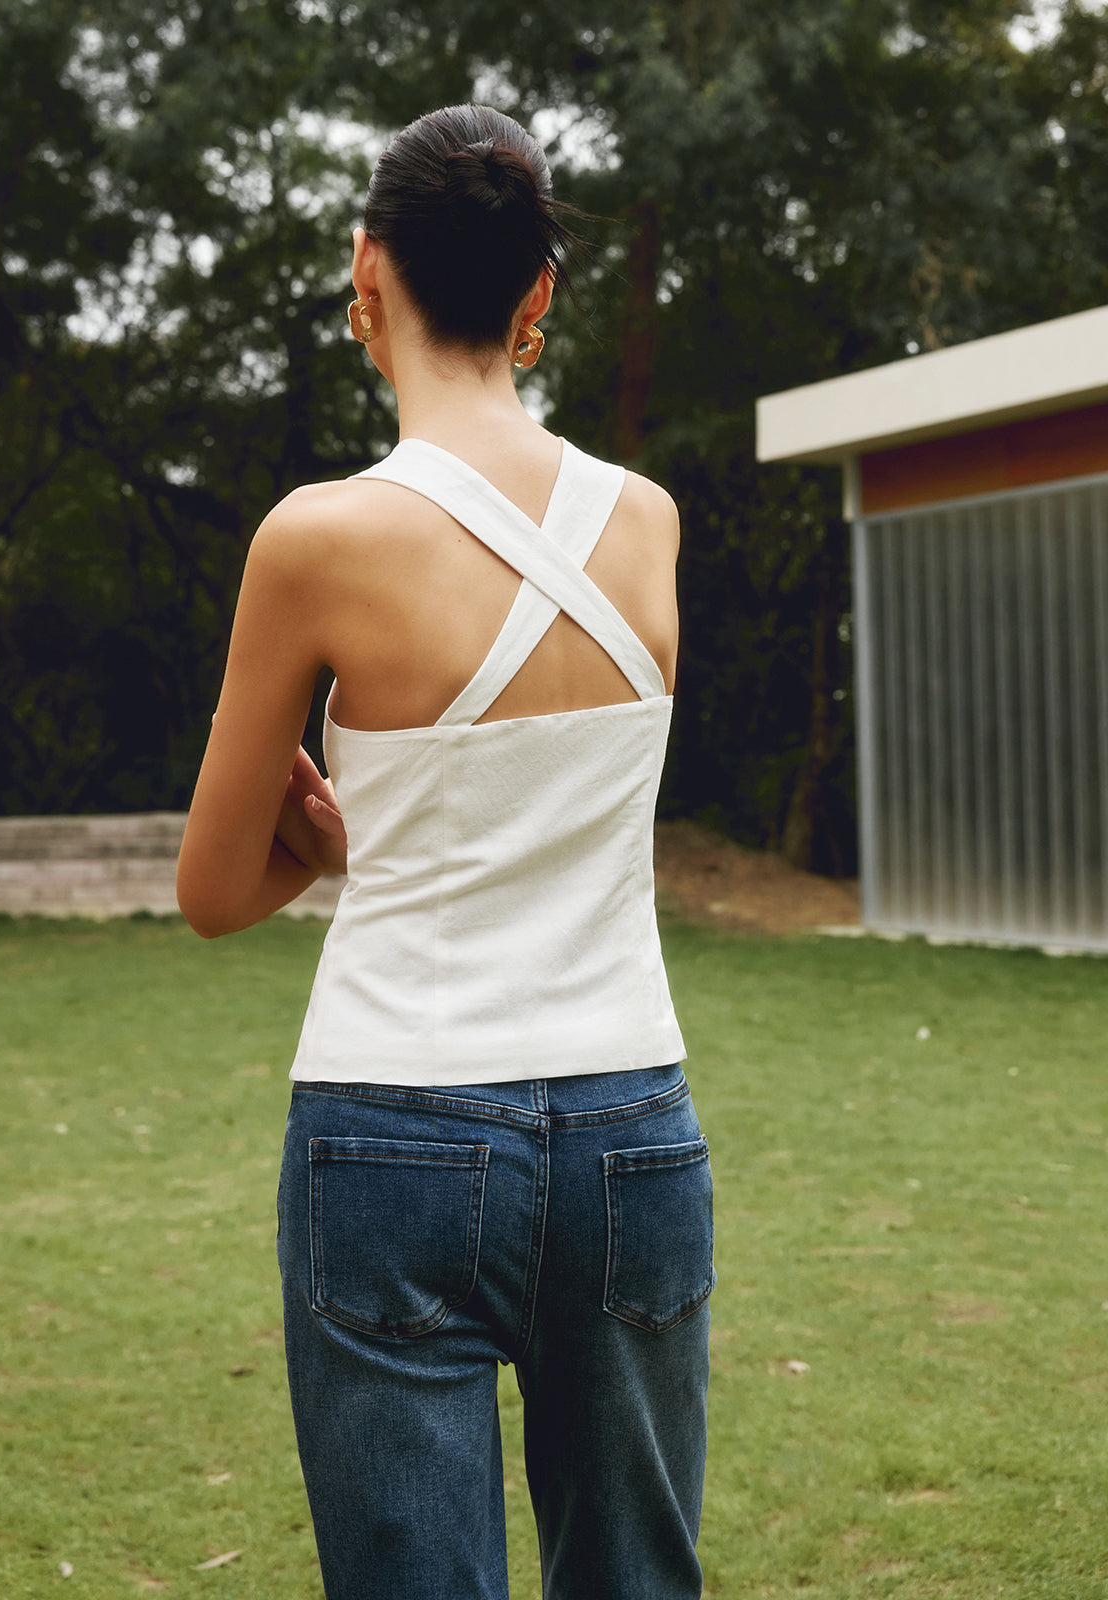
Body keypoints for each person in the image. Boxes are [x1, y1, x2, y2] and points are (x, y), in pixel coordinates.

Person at [177, 103, 713, 1600]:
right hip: (632, 1130)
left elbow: (215, 892)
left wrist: (335, 847)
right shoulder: (649, 525)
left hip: (392, 1133)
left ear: (369, 268)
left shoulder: (318, 540)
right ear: (540, 294)